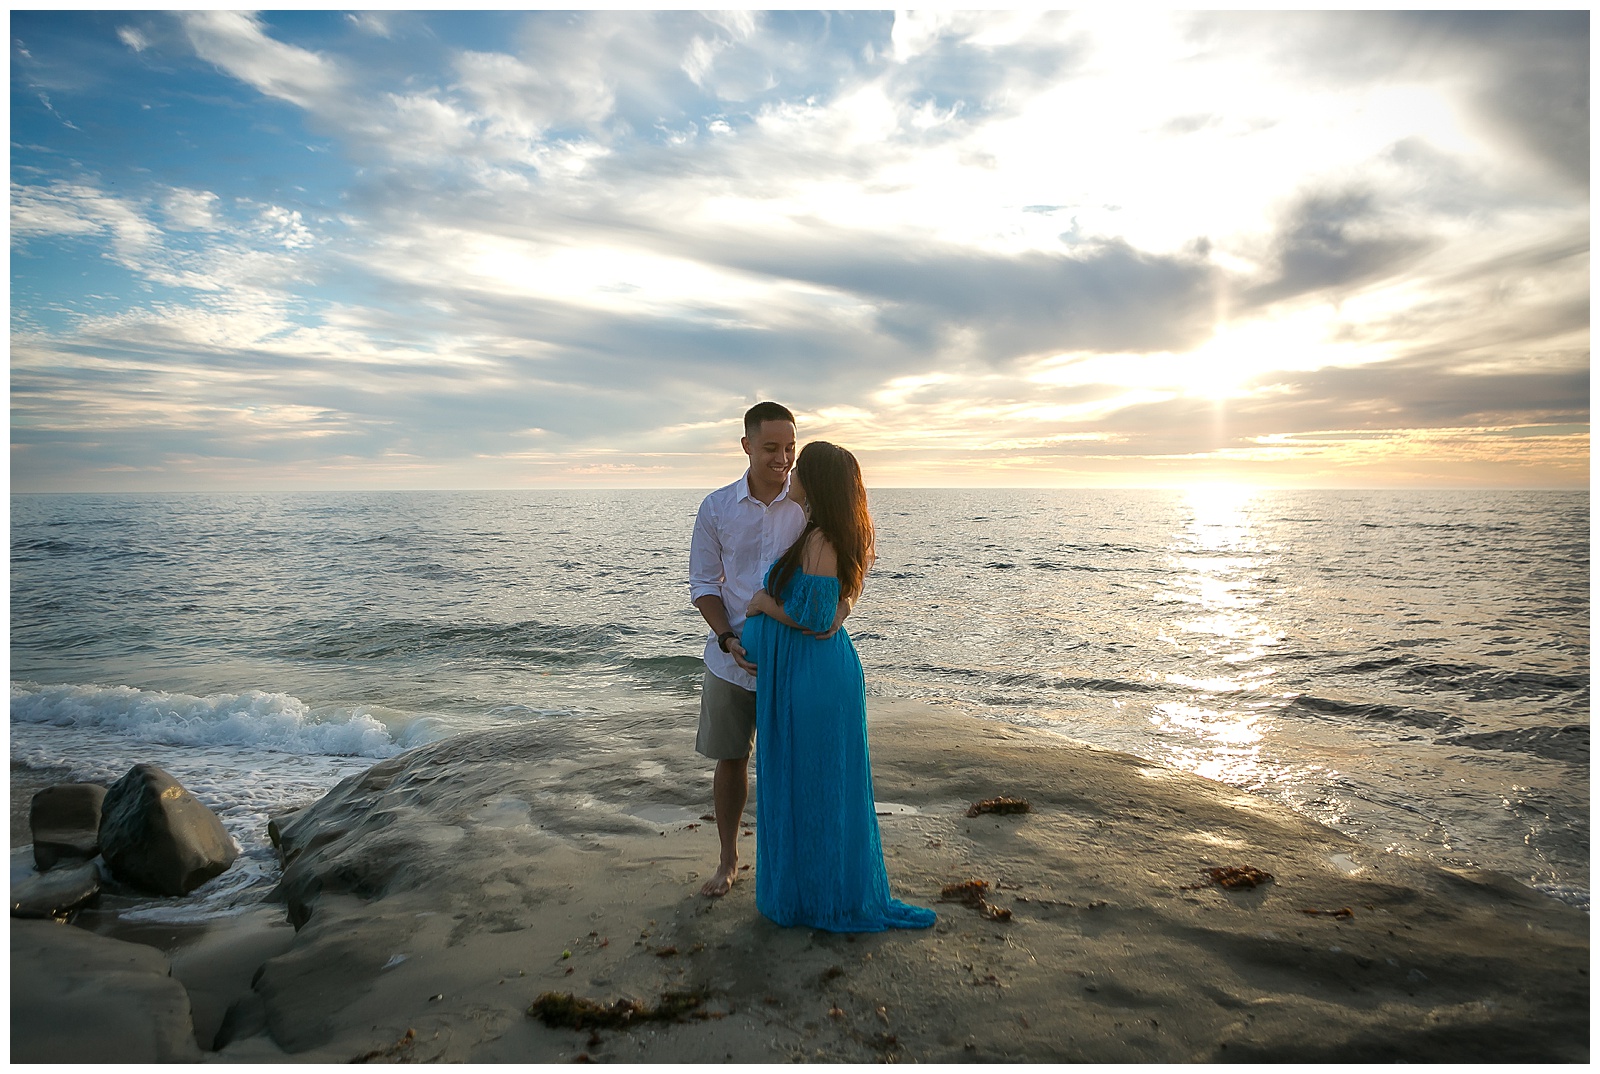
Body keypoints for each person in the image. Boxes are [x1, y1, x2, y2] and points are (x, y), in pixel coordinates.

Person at [742, 442, 936, 932]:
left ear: (817, 481)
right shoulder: (834, 534)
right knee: (816, 784)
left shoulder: (821, 539)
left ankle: (823, 901)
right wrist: (838, 611)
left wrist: (763, 604)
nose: (793, 472)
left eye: (801, 467)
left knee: (815, 785)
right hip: (810, 674)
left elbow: (814, 618)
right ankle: (815, 894)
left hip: (811, 679)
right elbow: (844, 598)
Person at [688, 402, 807, 897]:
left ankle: (790, 860)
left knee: (792, 761)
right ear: (746, 446)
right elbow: (703, 583)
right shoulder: (716, 508)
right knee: (731, 758)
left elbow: (847, 560)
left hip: (794, 658)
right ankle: (728, 858)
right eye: (771, 448)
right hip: (730, 659)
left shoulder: (808, 505)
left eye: (789, 448)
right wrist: (728, 638)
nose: (782, 459)